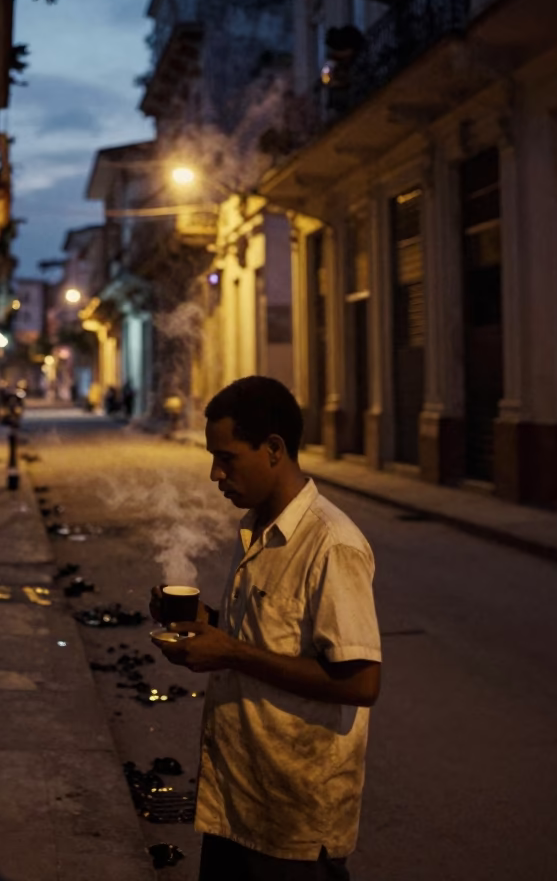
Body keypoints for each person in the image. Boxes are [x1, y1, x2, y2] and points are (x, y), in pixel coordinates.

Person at [151, 376, 381, 881]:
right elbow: (261, 638)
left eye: (227, 457)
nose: (215, 473)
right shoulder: (257, 528)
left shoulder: (331, 544)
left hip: (293, 821)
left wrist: (230, 653)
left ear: (274, 449)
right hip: (235, 801)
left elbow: (361, 683)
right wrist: (202, 628)